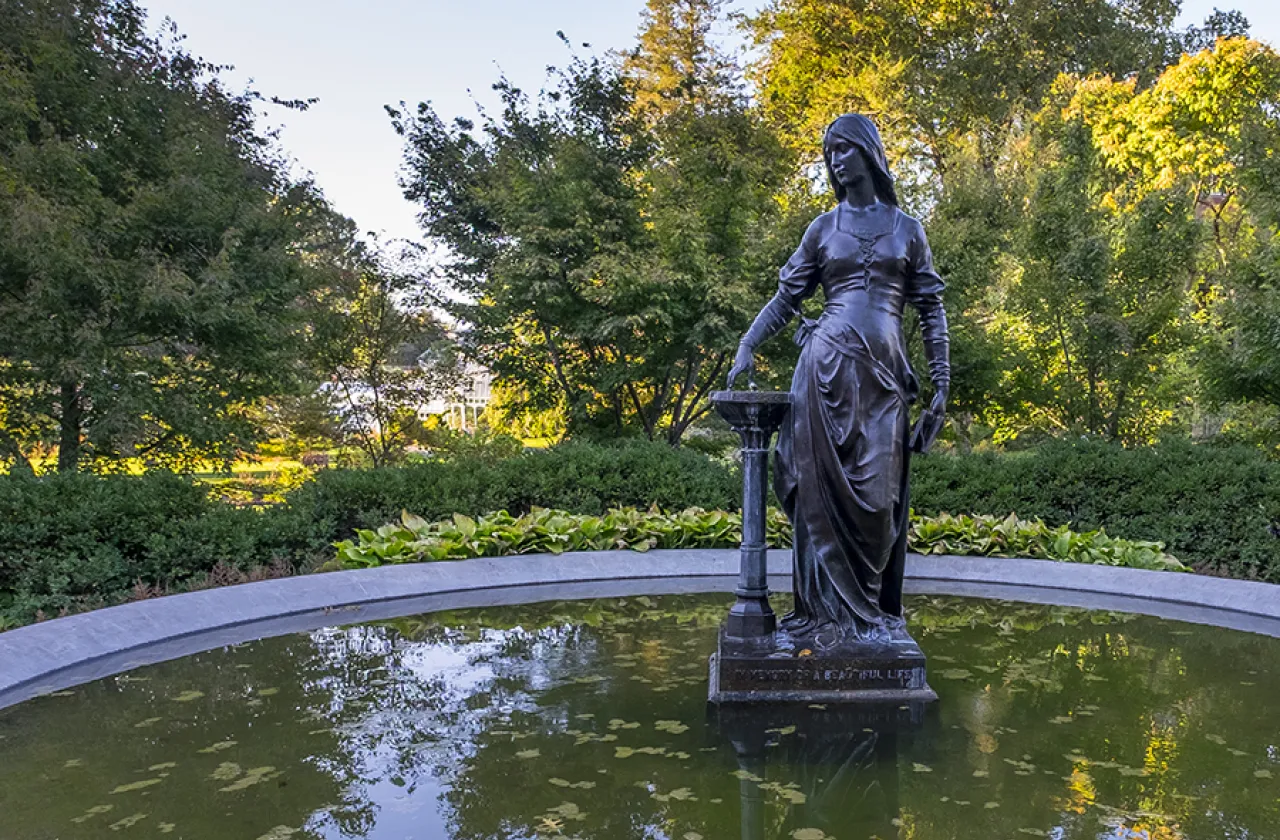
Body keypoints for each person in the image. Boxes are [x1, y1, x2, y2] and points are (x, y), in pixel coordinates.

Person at [726, 114, 950, 647]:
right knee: (815, 500)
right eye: (829, 152)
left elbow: (931, 309)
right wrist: (748, 343)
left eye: (844, 149)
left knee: (880, 503)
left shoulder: (908, 230)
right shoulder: (822, 229)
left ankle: (869, 614)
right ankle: (823, 616)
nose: (835, 160)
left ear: (869, 154)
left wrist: (942, 383)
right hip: (823, 373)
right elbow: (787, 299)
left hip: (884, 383)